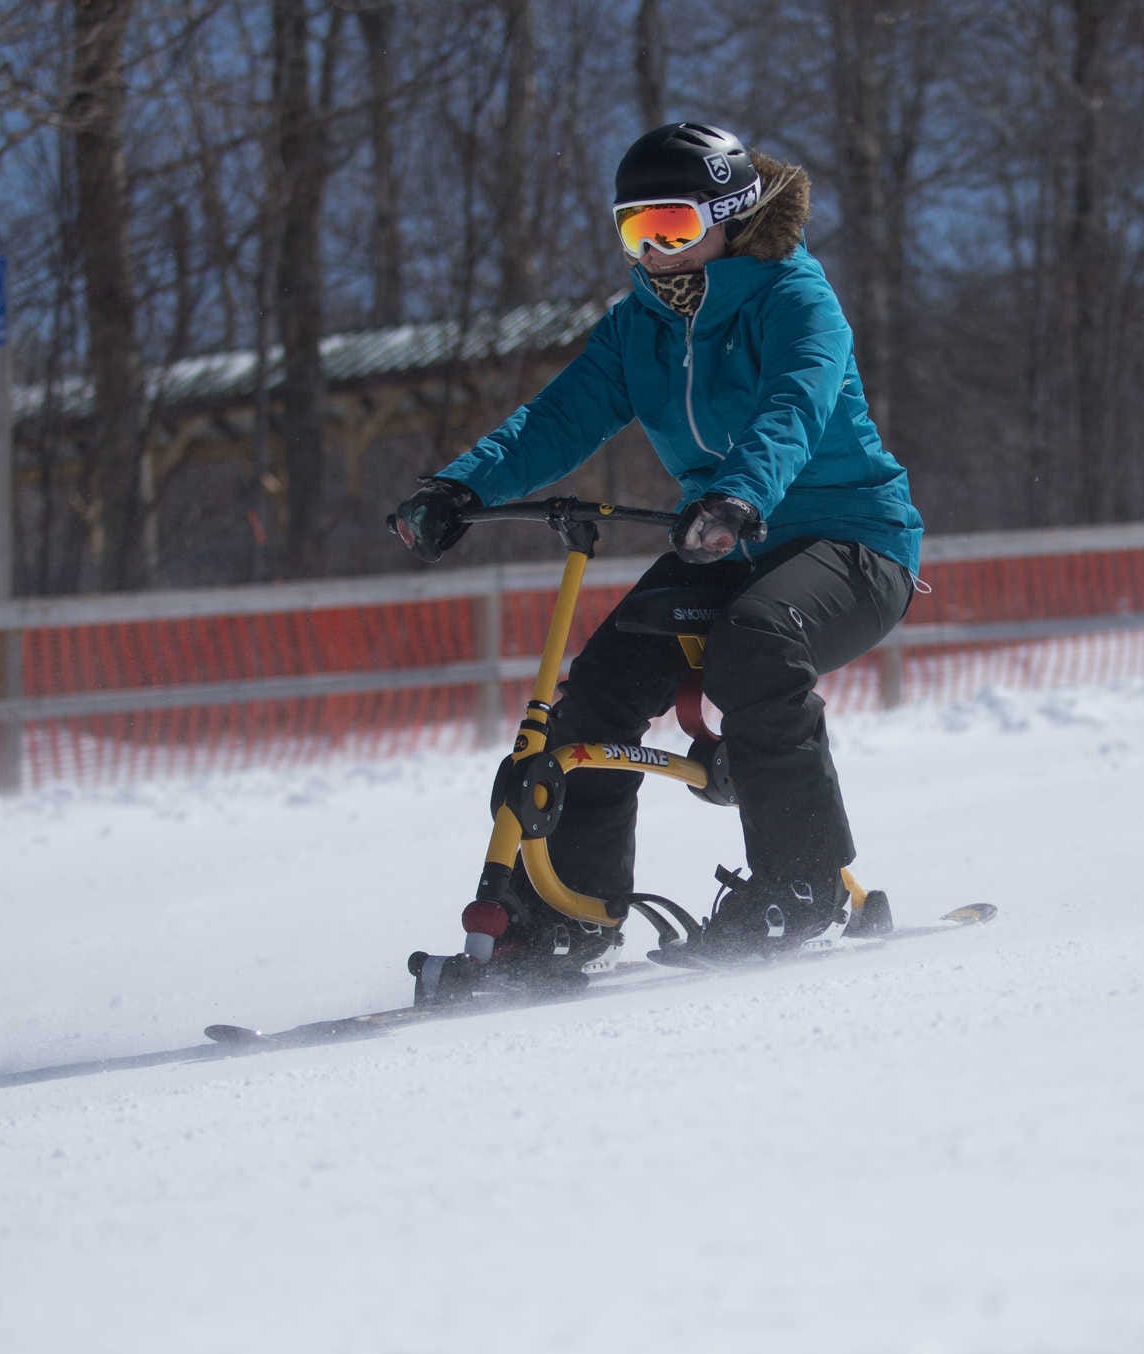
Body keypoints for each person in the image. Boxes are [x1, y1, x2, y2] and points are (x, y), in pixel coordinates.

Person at [390, 121, 922, 969]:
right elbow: (555, 420)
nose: (653, 252)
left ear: (731, 216)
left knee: (758, 641)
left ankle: (797, 887)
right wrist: (460, 488)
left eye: (673, 227)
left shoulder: (795, 299)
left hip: (852, 542)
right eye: (634, 231)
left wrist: (740, 494)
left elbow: (792, 407)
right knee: (597, 692)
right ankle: (571, 916)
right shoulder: (636, 327)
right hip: (724, 543)